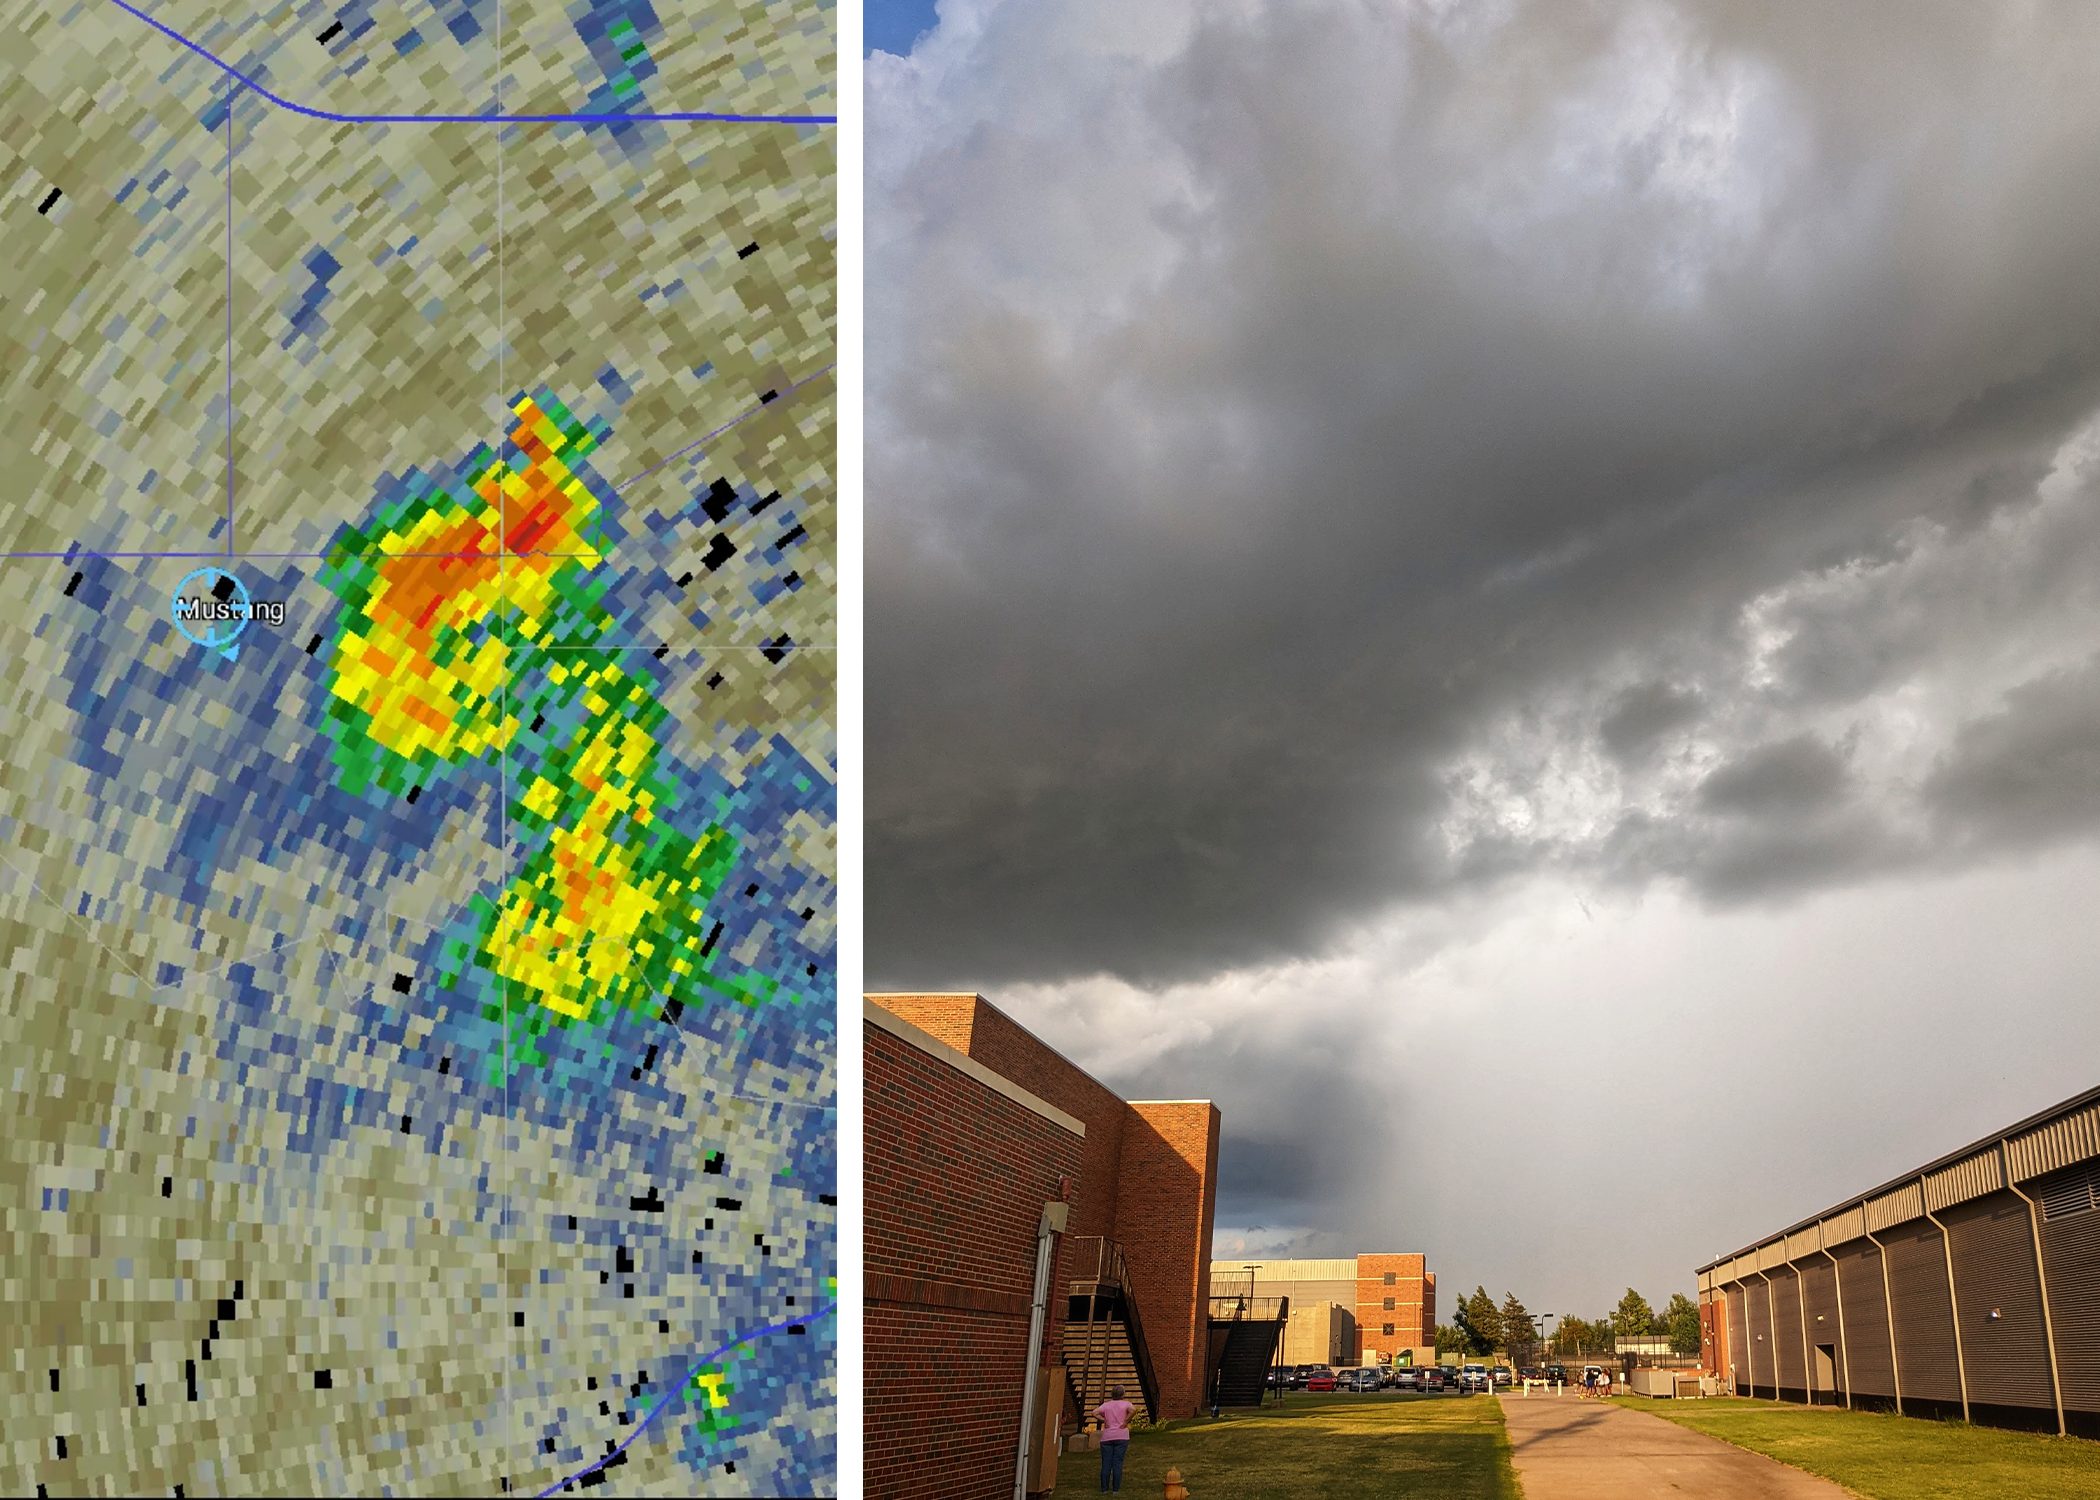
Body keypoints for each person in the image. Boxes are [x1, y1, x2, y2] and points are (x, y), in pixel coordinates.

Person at [1094, 1385, 1134, 1493]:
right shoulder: (1126, 1404)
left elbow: (1094, 1412)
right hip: (1121, 1436)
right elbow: (1133, 1410)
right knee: (1117, 1463)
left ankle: (1104, 1489)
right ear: (1123, 1394)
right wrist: (1126, 1421)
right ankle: (1115, 1489)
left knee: (1106, 1463)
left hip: (1107, 1437)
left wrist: (1103, 1419)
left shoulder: (1106, 1405)